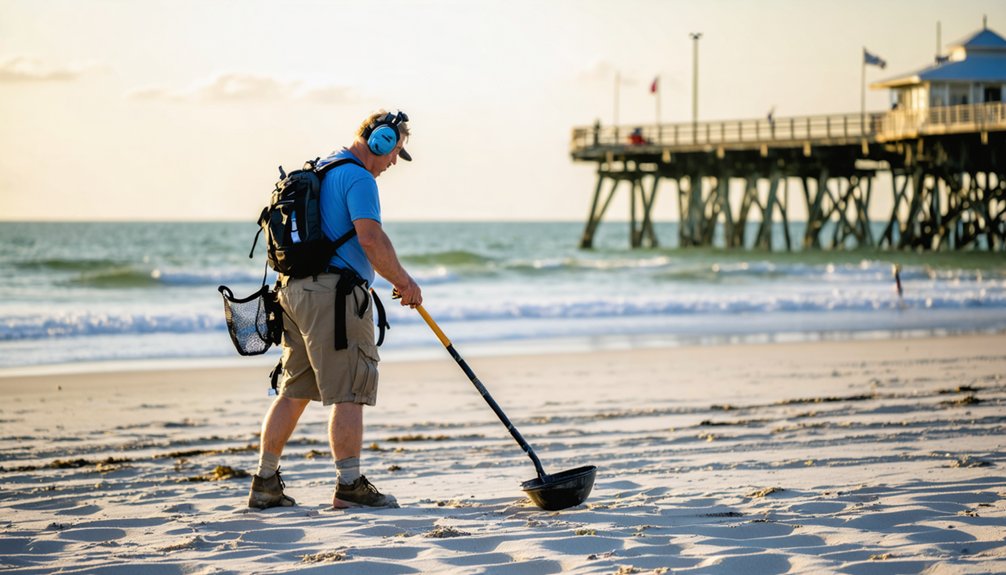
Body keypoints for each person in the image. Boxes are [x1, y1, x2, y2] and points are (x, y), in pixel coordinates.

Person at [247, 109, 423, 510]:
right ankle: (350, 486)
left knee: (294, 391)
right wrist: (405, 282)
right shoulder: (359, 177)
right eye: (395, 151)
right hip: (335, 297)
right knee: (350, 389)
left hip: (293, 292)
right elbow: (371, 239)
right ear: (379, 141)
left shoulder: (323, 167)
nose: (394, 161)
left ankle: (265, 482)